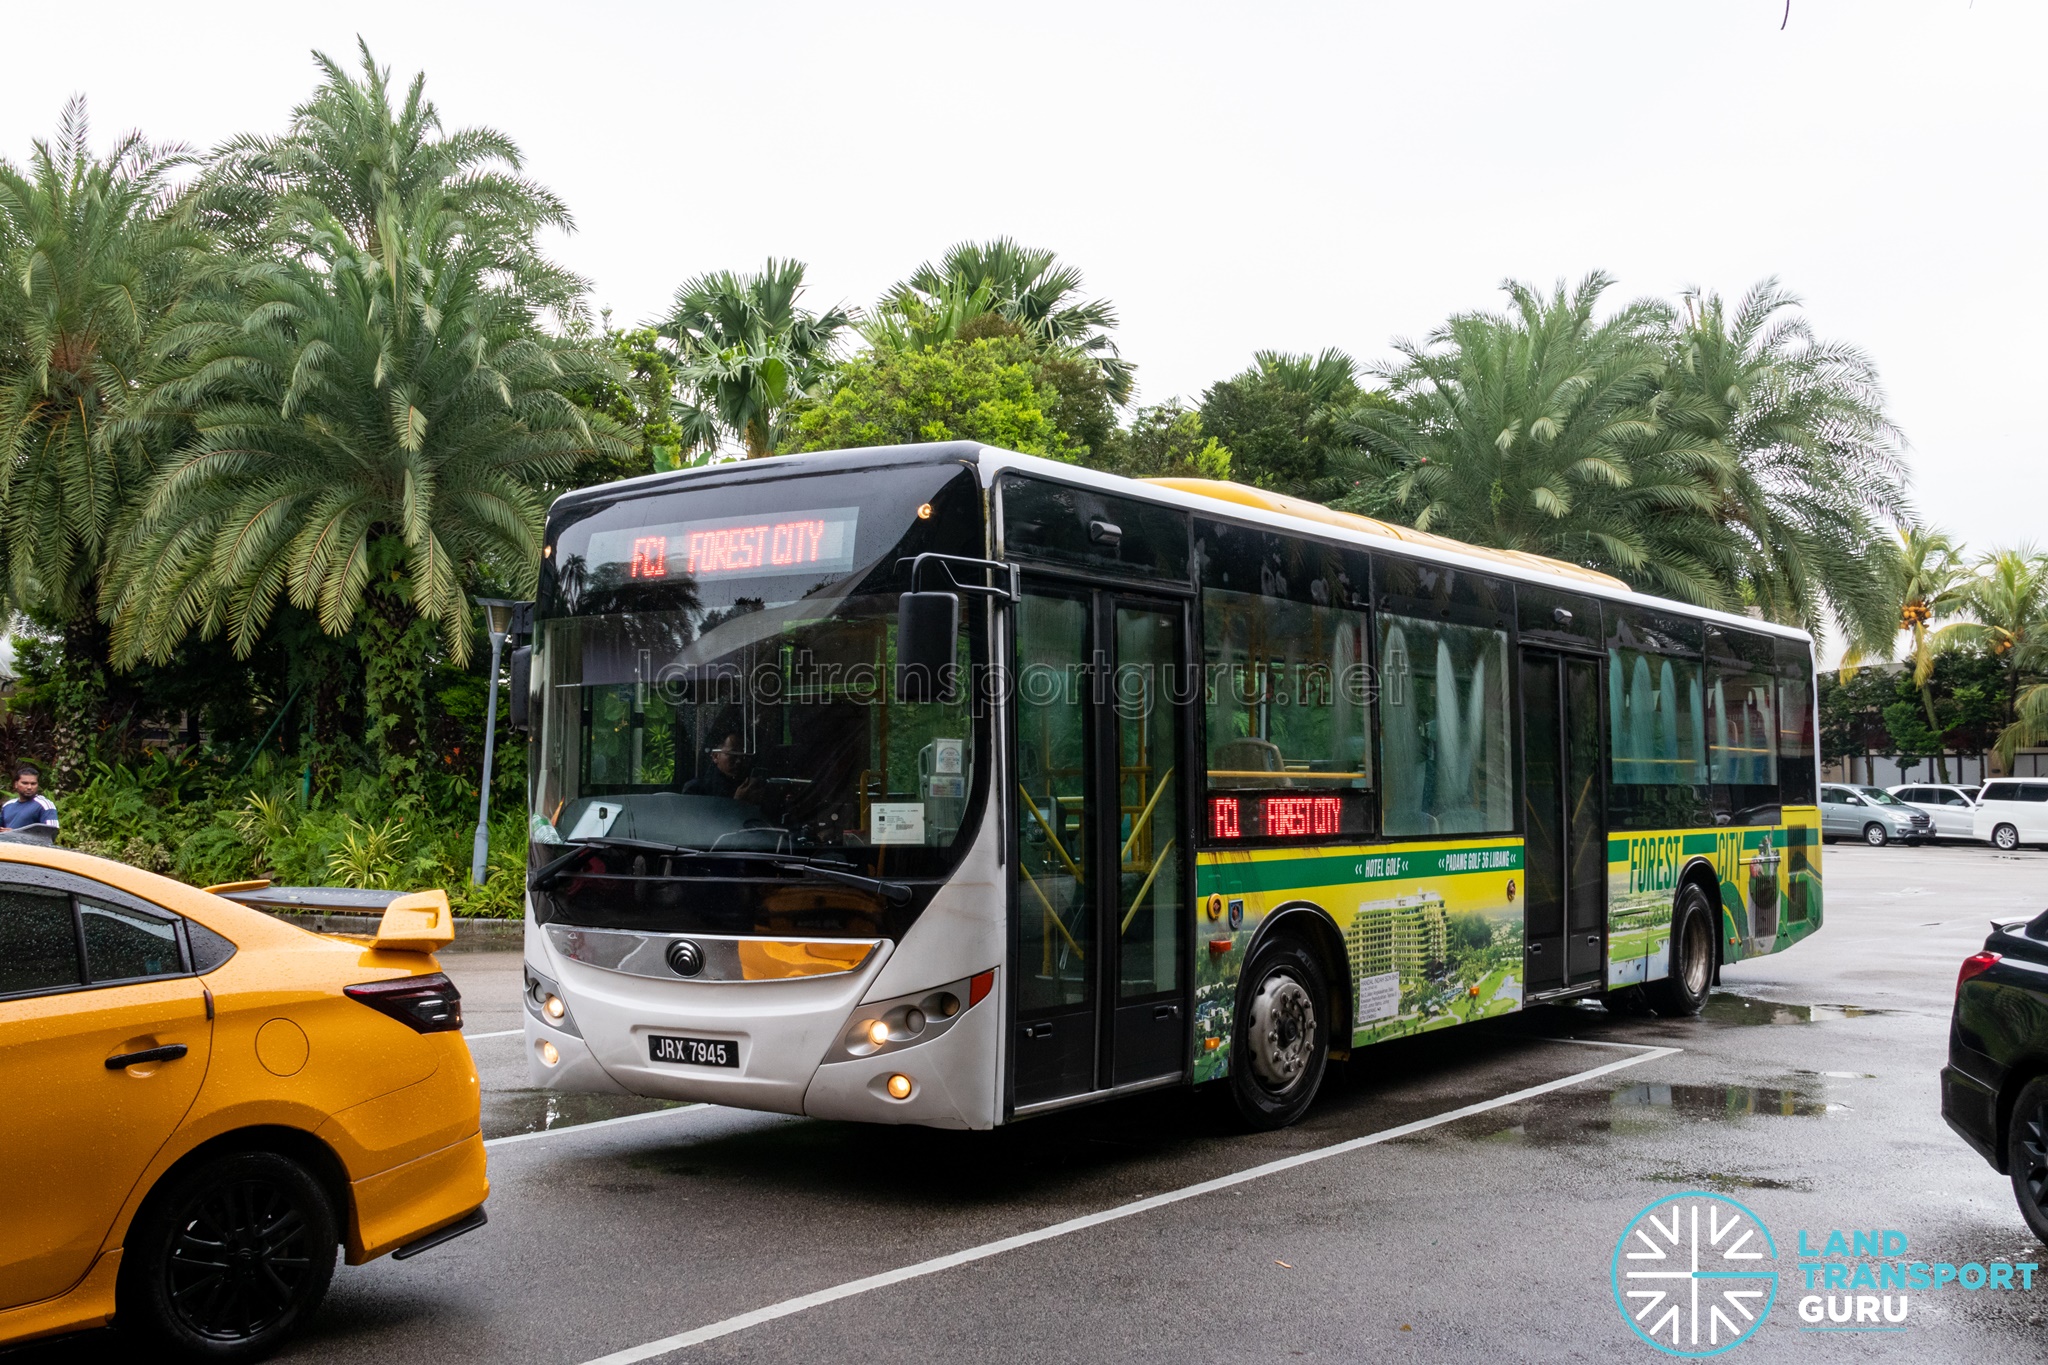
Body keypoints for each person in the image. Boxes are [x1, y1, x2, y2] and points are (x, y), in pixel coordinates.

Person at [683, 733, 765, 803]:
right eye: (733, 754)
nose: (739, 761)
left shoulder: (752, 788)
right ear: (715, 756)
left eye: (744, 756)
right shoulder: (696, 789)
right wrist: (737, 802)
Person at [2, 763, 59, 832]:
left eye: (33, 784)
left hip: (31, 843)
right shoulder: (8, 806)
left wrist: (15, 834)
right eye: (25, 783)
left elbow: (51, 833)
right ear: (16, 784)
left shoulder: (44, 805)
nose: (29, 787)